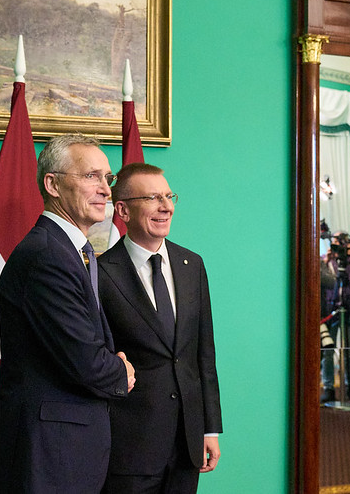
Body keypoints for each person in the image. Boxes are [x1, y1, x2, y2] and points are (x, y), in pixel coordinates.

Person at [0, 134, 136, 494]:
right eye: (91, 176)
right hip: (47, 454)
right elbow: (86, 362)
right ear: (52, 184)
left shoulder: (72, 251)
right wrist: (122, 371)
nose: (106, 190)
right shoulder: (47, 256)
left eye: (107, 178)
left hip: (66, 451)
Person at [97, 163, 222, 494]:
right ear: (122, 210)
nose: (166, 206)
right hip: (129, 447)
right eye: (152, 198)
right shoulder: (99, 273)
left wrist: (209, 428)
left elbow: (203, 355)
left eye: (169, 196)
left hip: (187, 444)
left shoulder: (192, 264)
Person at [320, 231, 350, 404]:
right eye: (335, 243)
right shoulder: (326, 261)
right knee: (328, 351)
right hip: (330, 311)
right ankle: (328, 387)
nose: (336, 247)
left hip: (349, 309)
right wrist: (326, 260)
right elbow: (322, 279)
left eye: (340, 243)